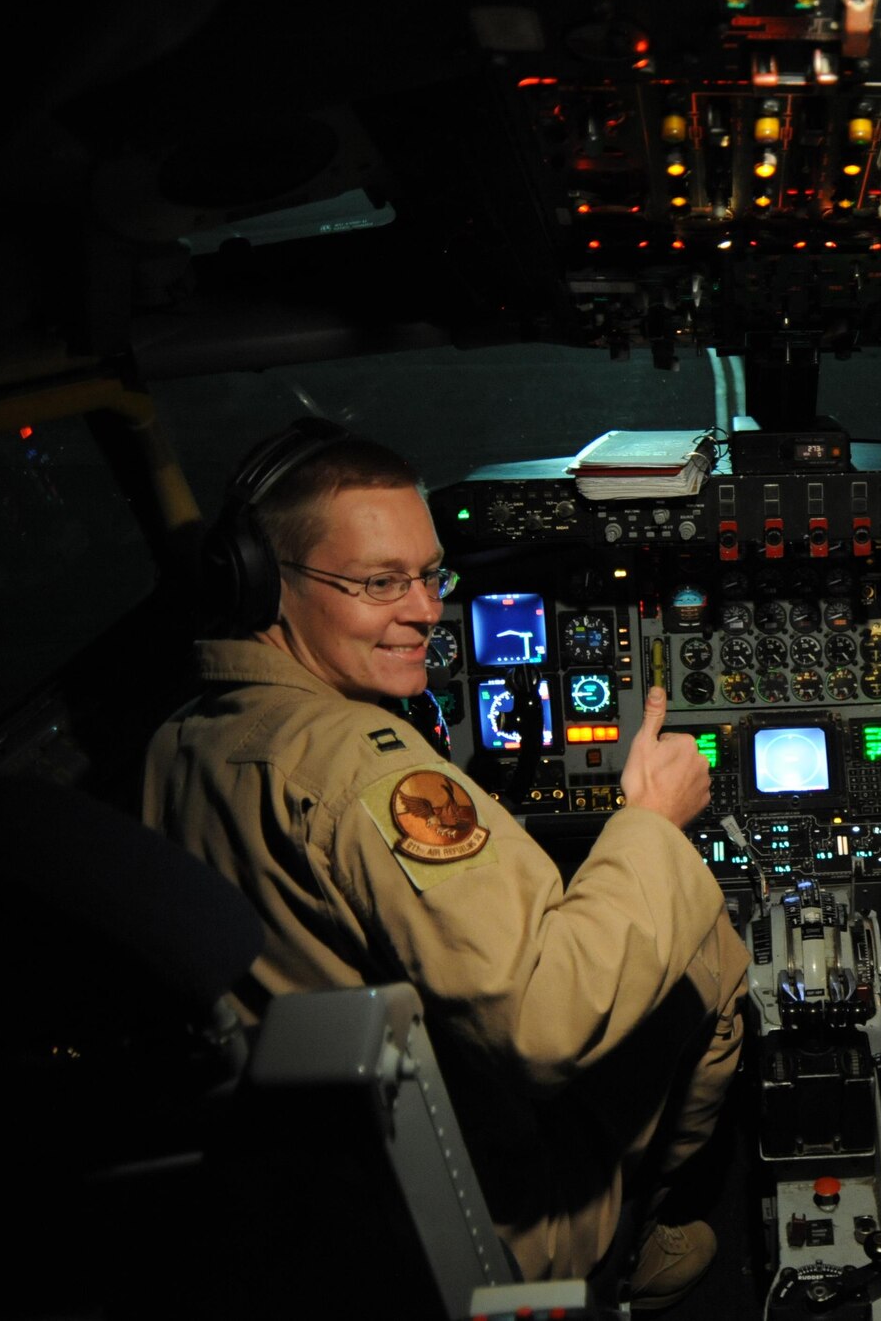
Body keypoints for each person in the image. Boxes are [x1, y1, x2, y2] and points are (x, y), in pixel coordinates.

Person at [143, 423, 748, 1307]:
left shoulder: (180, 738)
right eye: (380, 582)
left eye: (431, 574)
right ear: (264, 584)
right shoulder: (371, 770)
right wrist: (651, 823)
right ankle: (638, 1239)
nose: (426, 610)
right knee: (708, 947)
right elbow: (545, 1028)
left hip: (312, 1204)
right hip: (482, 1216)